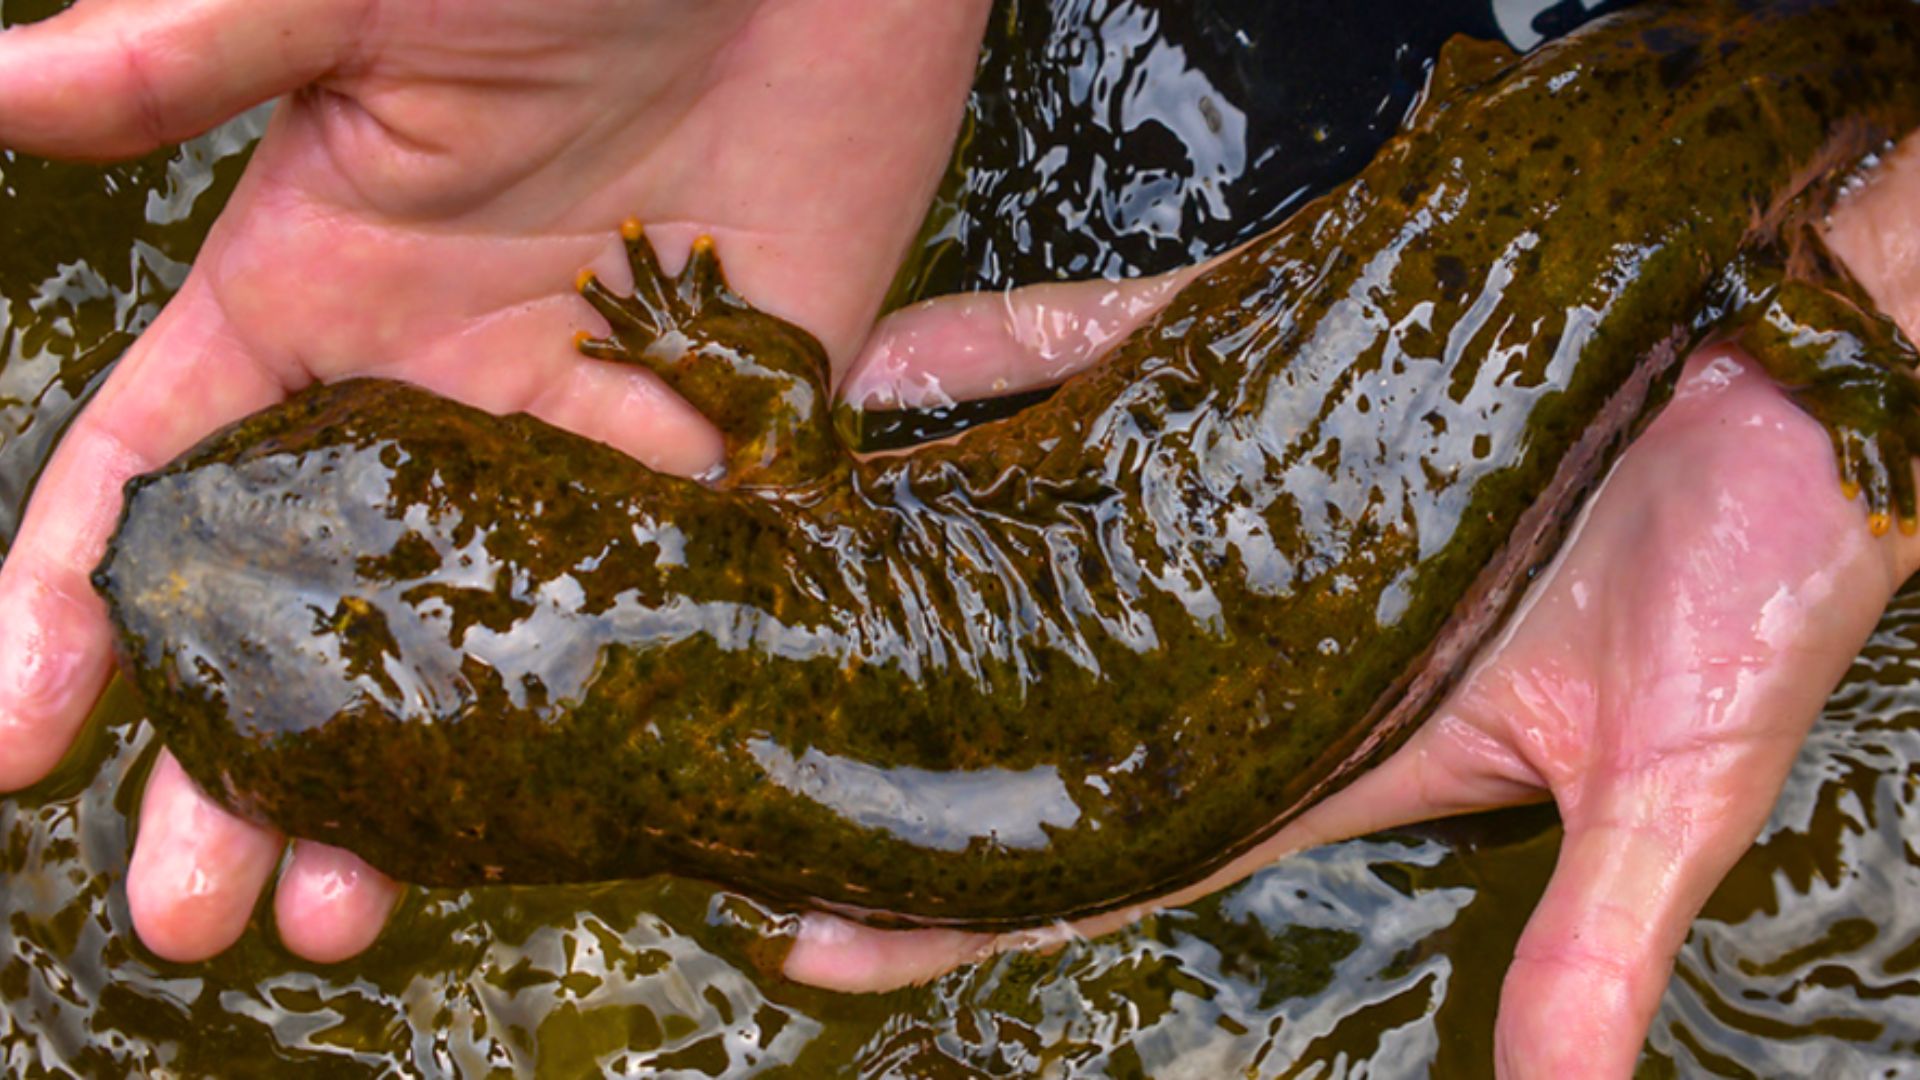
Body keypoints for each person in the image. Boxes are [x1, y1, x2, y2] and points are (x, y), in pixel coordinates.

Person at [0, 1, 1916, 1075]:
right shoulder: (751, 552)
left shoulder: (739, 753)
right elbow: (785, 422)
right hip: (1518, 212)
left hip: (1613, 241)